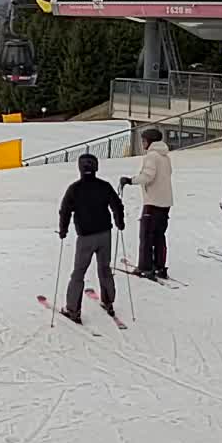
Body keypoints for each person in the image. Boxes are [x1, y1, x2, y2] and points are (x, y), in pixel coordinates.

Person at [57, 152, 125, 325]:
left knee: (79, 273)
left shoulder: (74, 188)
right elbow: (116, 204)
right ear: (96, 167)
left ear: (80, 168)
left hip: (85, 237)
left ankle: (73, 309)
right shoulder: (104, 186)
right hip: (104, 235)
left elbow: (65, 210)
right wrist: (119, 221)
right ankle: (109, 302)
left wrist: (63, 230)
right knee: (104, 268)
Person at [118, 127, 173, 279]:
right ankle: (160, 266)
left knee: (146, 235)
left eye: (144, 141)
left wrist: (130, 180)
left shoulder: (152, 156)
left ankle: (145, 267)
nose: (142, 144)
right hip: (165, 201)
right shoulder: (165, 156)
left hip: (153, 202)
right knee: (159, 235)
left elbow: (148, 176)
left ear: (150, 142)